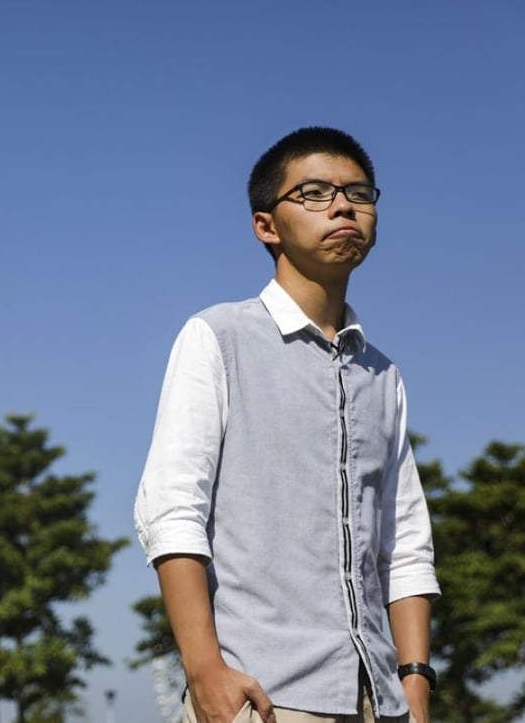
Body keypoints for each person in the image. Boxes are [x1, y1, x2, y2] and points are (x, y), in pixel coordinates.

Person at [133, 127, 440, 723]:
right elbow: (172, 511)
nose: (345, 205)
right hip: (261, 695)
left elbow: (404, 543)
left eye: (359, 192)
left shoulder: (384, 375)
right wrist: (205, 674)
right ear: (266, 225)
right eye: (316, 193)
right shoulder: (218, 338)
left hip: (381, 699)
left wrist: (416, 685)